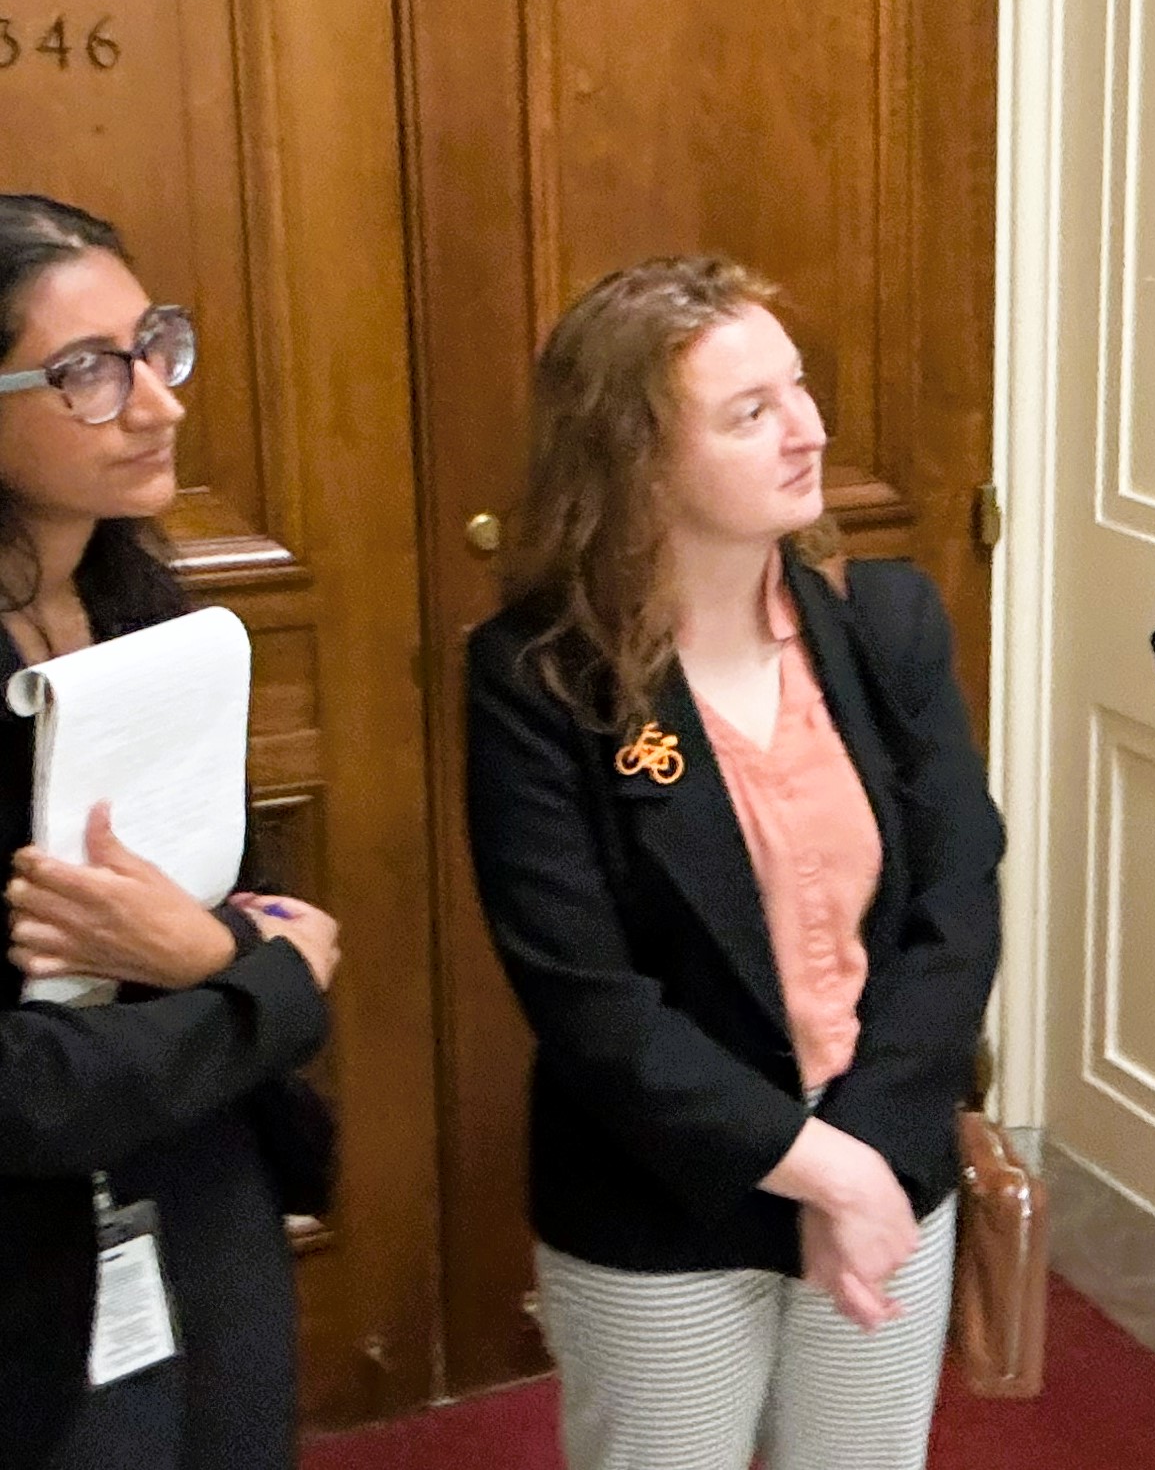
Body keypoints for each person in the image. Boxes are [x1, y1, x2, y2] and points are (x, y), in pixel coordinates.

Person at [463, 257, 1004, 1470]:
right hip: (667, 1196)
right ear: (633, 460)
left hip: (884, 1138)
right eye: (748, 413)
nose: (805, 432)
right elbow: (587, 999)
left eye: (797, 390)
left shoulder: (886, 622)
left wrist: (863, 1158)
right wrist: (817, 1171)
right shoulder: (540, 679)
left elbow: (957, 902)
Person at [0, 193, 341, 1470]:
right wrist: (253, 995)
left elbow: (253, 912)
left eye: (154, 346)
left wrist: (213, 959)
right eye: (89, 372)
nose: (159, 403)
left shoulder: (147, 616)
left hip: (197, 1169)